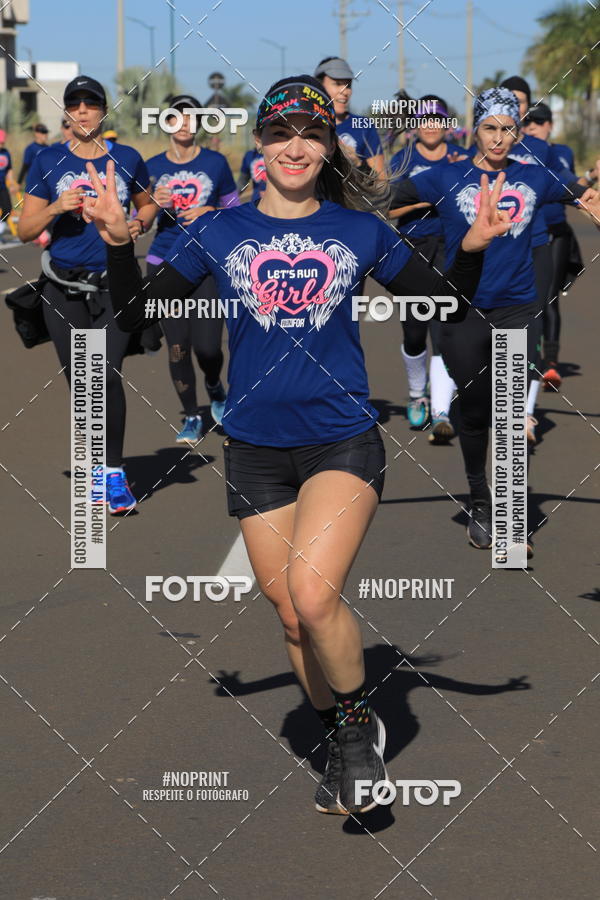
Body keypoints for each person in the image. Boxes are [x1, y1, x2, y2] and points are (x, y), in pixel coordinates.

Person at [83, 75, 510, 814]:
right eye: (280, 133)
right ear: (260, 145)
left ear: (328, 147)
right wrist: (121, 245)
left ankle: (357, 733)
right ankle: (341, 733)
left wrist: (469, 248)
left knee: (314, 597)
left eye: (310, 134)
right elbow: (138, 316)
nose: (295, 146)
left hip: (341, 439)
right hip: (253, 449)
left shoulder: (360, 231)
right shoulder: (220, 232)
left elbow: (446, 302)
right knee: (289, 614)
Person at [390, 87, 594, 555]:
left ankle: (510, 518)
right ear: (475, 130)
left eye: (507, 129)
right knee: (475, 412)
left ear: (517, 133)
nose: (499, 138)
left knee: (509, 413)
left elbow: (581, 192)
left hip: (516, 308)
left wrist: (591, 198)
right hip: (462, 312)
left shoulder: (535, 176)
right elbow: (384, 198)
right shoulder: (445, 176)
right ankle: (480, 499)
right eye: (489, 128)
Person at [17, 75, 155, 514]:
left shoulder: (127, 157)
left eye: (90, 103)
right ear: (66, 112)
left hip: (116, 284)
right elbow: (24, 229)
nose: (82, 110)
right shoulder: (46, 159)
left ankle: (113, 472)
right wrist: (57, 206)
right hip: (63, 288)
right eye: (74, 103)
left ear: (103, 111)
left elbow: (148, 202)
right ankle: (96, 467)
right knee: (83, 382)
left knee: (105, 373)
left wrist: (139, 223)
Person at [145, 93, 240, 442]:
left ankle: (214, 384)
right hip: (164, 263)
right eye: (176, 116)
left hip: (205, 264)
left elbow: (237, 211)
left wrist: (211, 212)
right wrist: (152, 204)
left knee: (208, 348)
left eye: (192, 117)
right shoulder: (151, 166)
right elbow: (137, 220)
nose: (185, 123)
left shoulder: (216, 163)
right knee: (178, 347)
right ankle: (191, 416)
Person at [389, 94, 464, 439]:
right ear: (416, 125)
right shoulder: (403, 160)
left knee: (445, 329)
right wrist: (422, 201)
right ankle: (417, 393)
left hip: (452, 248)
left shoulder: (460, 158)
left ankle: (441, 412)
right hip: (413, 249)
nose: (431, 126)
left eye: (437, 119)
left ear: (447, 125)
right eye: (425, 120)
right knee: (415, 332)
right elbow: (387, 209)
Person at [522, 103, 585, 391]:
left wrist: (591, 183)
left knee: (548, 297)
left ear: (550, 125)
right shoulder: (517, 154)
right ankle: (527, 360)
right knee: (522, 299)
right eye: (527, 122)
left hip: (556, 232)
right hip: (524, 235)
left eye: (538, 121)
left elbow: (571, 183)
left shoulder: (560, 152)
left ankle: (549, 363)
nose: (532, 126)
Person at [314, 57, 385, 178]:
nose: (345, 91)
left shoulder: (363, 126)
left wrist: (356, 163)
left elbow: (381, 182)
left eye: (348, 85)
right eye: (337, 84)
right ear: (319, 86)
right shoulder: (306, 124)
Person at [0, 129, 14, 241]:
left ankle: (0, 230)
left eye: (2, 142)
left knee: (7, 209)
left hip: (2, 187)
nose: (1, 145)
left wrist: (12, 183)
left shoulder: (6, 153)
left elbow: (9, 169)